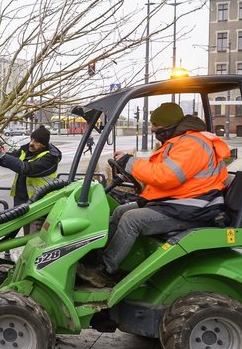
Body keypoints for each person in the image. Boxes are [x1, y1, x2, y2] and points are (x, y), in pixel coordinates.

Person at [77, 103, 230, 288]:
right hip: (178, 203)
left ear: (170, 125)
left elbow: (166, 176)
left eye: (157, 127)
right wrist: (130, 165)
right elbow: (161, 173)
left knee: (132, 219)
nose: (152, 130)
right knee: (120, 211)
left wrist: (130, 163)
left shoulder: (192, 144)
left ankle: (104, 270)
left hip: (193, 209)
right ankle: (97, 258)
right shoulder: (179, 141)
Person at [0, 125, 62, 233]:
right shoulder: (25, 151)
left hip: (39, 206)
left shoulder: (49, 158)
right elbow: (5, 160)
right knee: (25, 235)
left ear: (44, 144)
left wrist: (2, 155)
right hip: (22, 203)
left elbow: (27, 169)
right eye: (32, 139)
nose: (31, 143)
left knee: (34, 239)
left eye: (37, 142)